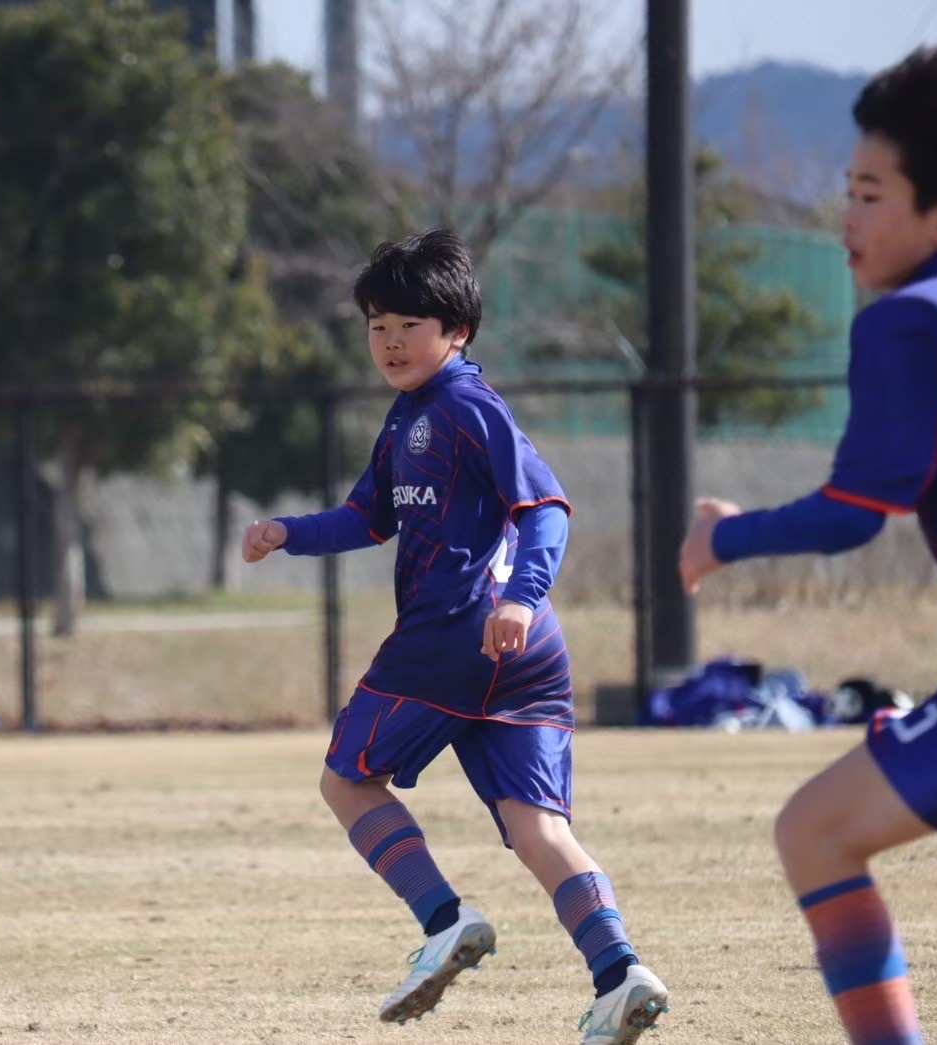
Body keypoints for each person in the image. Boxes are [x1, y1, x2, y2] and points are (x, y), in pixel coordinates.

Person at [244, 229, 667, 1044]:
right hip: (521, 654)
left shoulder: (466, 407)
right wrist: (287, 532)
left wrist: (521, 597)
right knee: (537, 827)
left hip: (456, 635)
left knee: (346, 781)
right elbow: (366, 518)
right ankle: (619, 972)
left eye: (410, 324)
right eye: (377, 325)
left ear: (458, 331)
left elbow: (545, 508)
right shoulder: (407, 415)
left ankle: (444, 919)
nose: (390, 341)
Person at [679, 43, 937, 1045]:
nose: (844, 217)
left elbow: (854, 508)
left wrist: (723, 537)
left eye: (869, 194)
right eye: (845, 191)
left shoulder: (912, 322)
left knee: (814, 832)